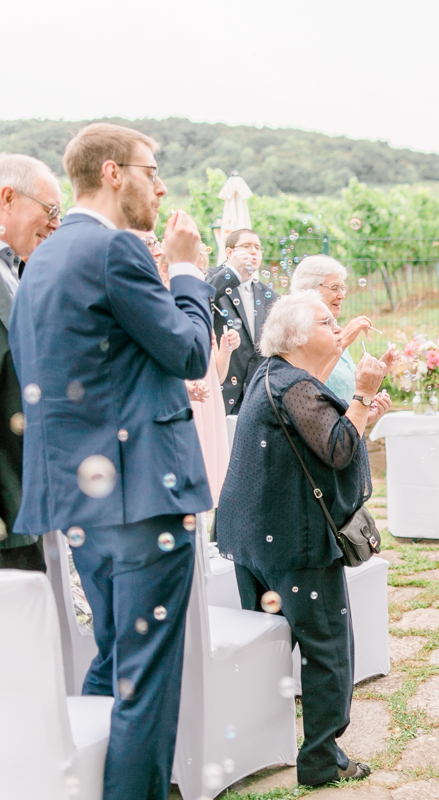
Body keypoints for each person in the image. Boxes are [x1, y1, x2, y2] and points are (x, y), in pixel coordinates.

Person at [11, 122, 214, 800]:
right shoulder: (117, 247)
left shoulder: (39, 262)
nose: (161, 185)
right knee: (146, 689)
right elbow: (188, 352)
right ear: (111, 173)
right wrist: (186, 270)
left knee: (117, 662)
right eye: (150, 169)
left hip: (80, 505)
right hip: (142, 497)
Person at [216, 291, 393, 787]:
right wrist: (360, 396)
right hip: (293, 542)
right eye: (326, 321)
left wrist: (362, 413)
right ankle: (320, 758)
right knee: (329, 652)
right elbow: (338, 449)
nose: (337, 329)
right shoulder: (297, 385)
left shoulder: (270, 374)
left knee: (269, 649)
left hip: (253, 536)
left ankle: (255, 745)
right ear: (296, 337)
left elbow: (313, 440)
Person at [135, 228, 238, 502]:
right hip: (183, 399)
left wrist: (226, 349)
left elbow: (215, 374)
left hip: (208, 399)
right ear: (169, 270)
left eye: (202, 271)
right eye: (195, 270)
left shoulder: (200, 307)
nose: (201, 279)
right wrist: (185, 386)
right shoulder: (162, 304)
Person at [0, 153, 61, 571]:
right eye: (50, 210)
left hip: (25, 495)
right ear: (7, 197)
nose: (56, 223)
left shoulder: (17, 271)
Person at [208, 228, 277, 414]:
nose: (253, 251)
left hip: (256, 399)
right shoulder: (212, 279)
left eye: (257, 247)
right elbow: (202, 299)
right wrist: (232, 272)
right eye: (246, 246)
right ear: (229, 252)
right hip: (220, 392)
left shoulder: (269, 295)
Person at [290, 255, 375, 402]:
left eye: (343, 288)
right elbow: (305, 394)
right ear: (307, 289)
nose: (341, 295)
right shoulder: (298, 334)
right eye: (334, 288)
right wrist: (343, 341)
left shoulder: (334, 330)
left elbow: (346, 392)